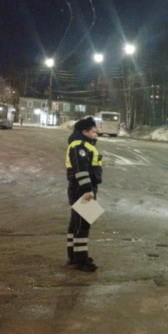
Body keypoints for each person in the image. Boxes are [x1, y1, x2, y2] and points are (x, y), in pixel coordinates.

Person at [65, 116, 103, 272]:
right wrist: (87, 190)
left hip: (81, 188)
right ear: (84, 132)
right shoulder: (80, 146)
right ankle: (80, 260)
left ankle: (74, 256)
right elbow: (81, 170)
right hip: (81, 189)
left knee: (76, 224)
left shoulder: (83, 145)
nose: (96, 135)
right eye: (93, 132)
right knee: (83, 224)